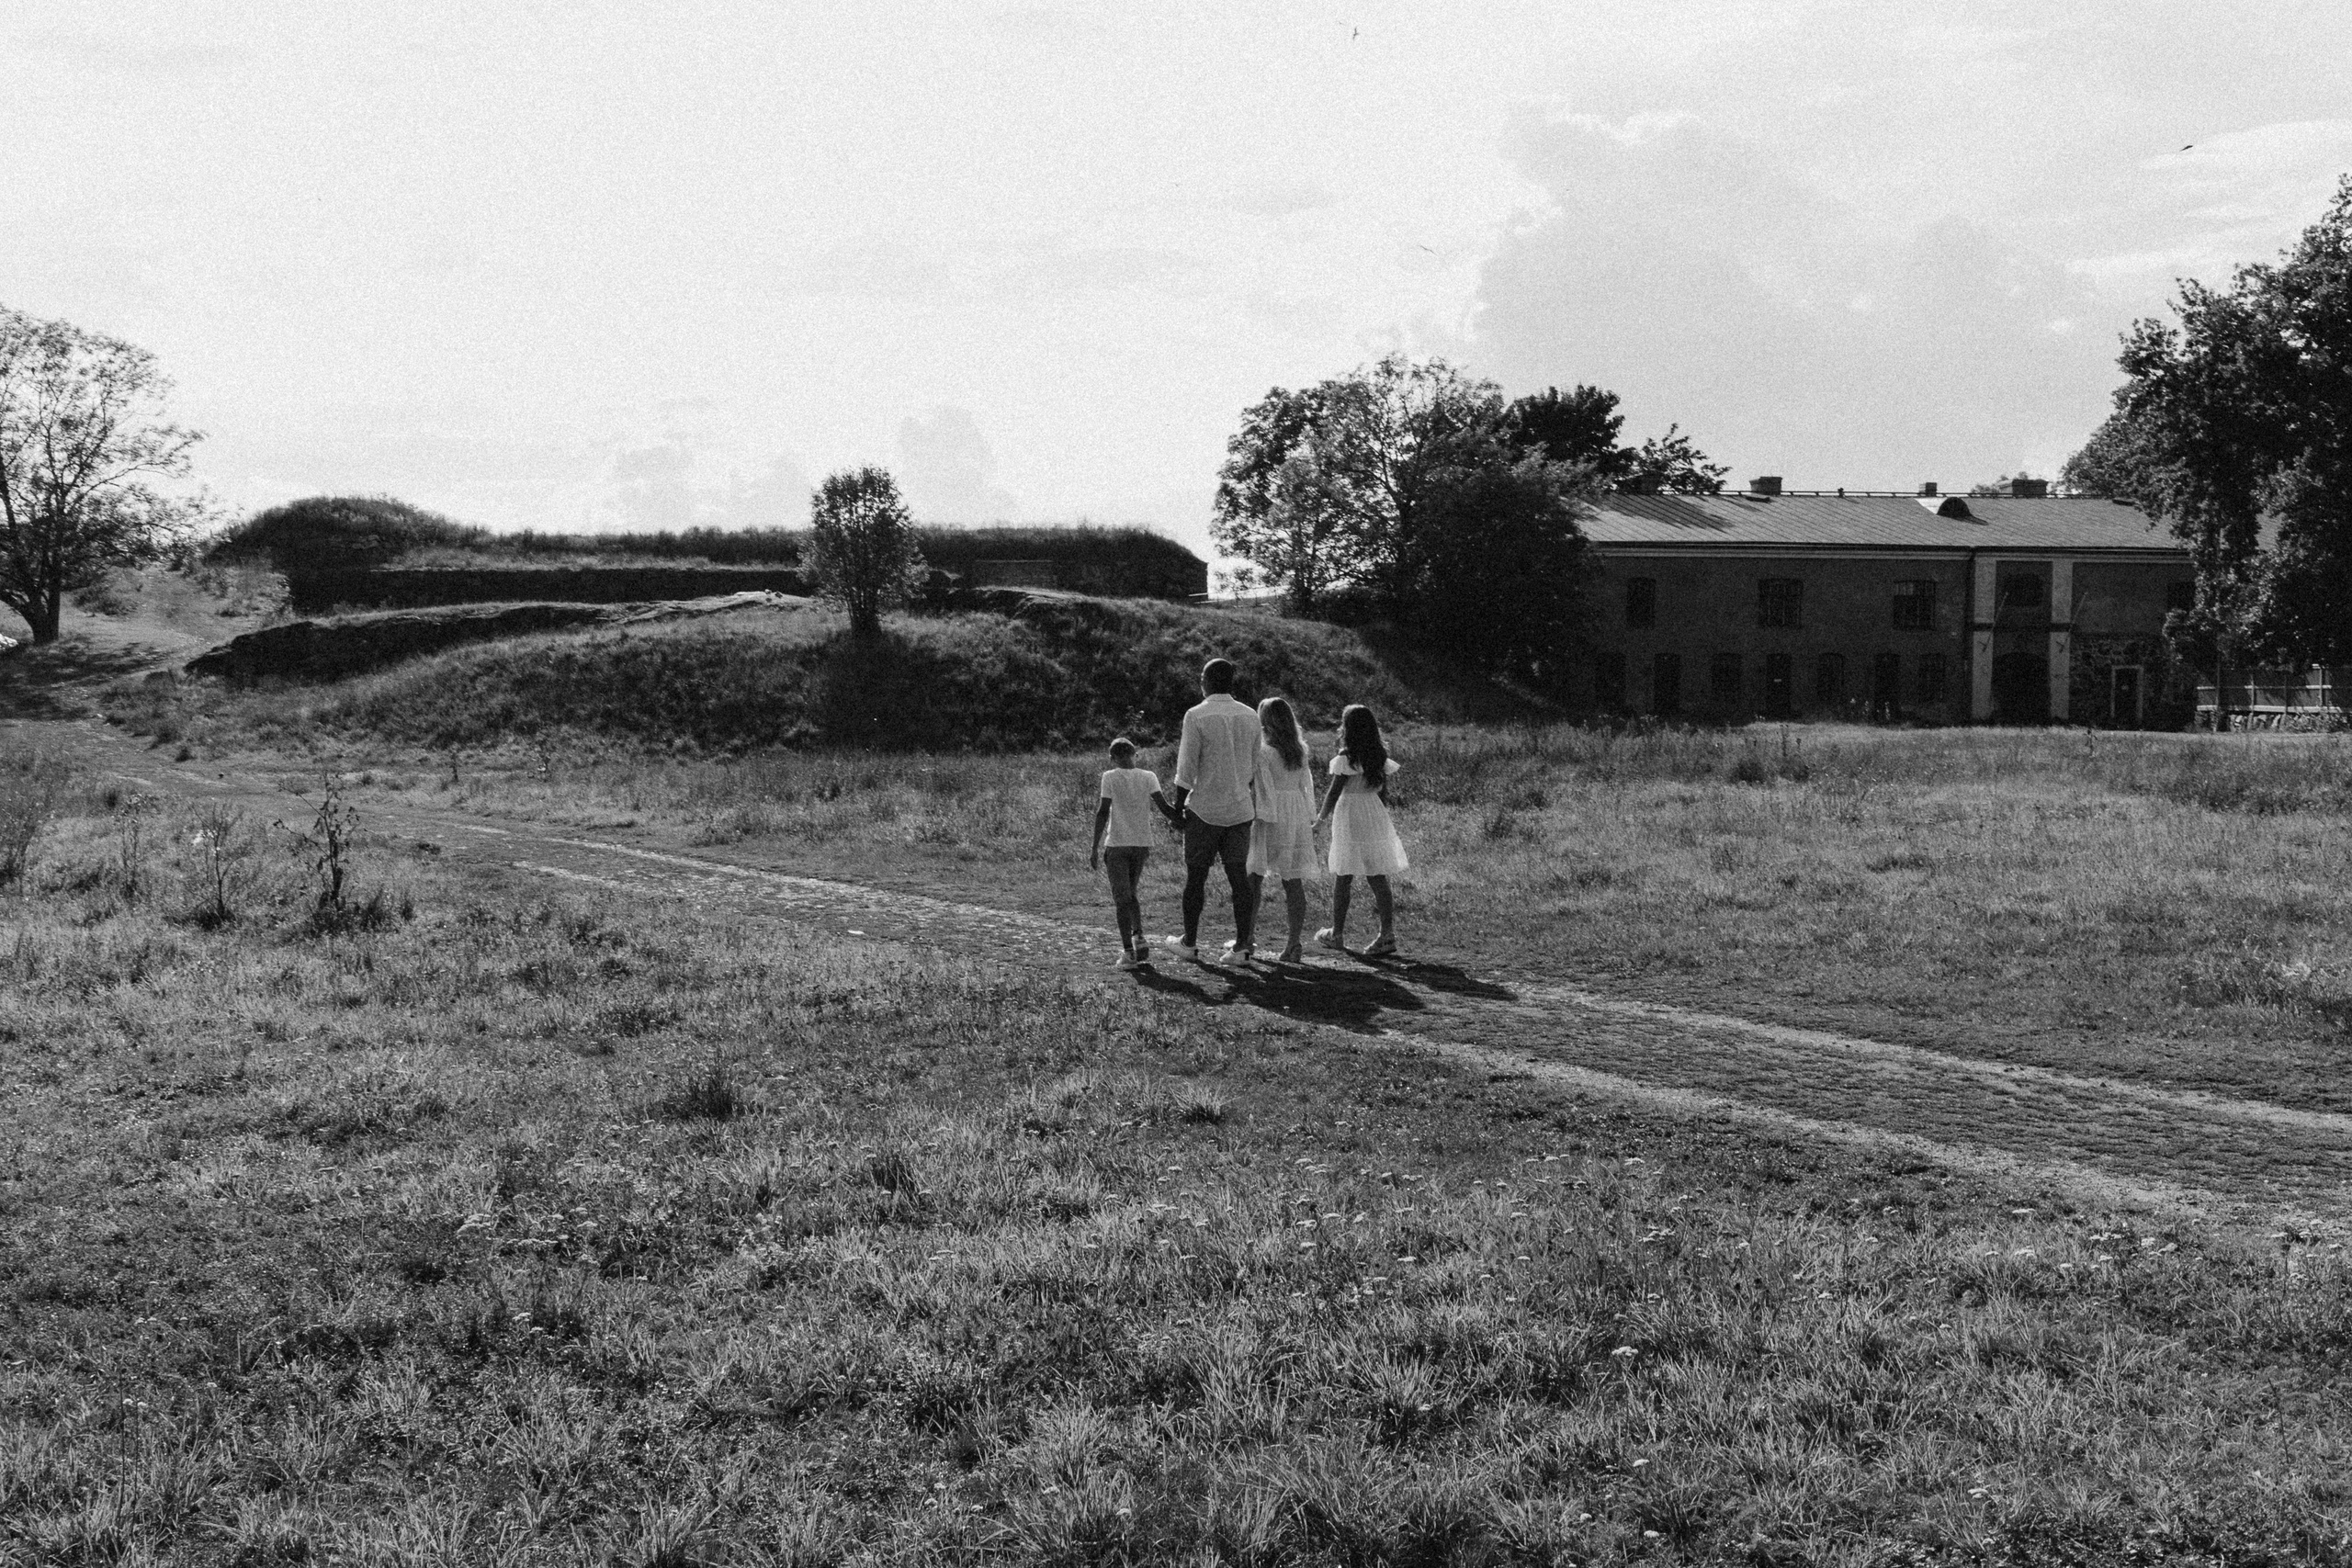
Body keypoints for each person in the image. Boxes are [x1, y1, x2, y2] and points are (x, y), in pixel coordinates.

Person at [1168, 657, 1260, 963]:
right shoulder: (1250, 715)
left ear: (1206, 680)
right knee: (1239, 880)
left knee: (1196, 878)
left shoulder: (1196, 715)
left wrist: (1178, 808)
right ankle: (1242, 946)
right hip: (1240, 808)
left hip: (1205, 808)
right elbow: (1255, 764)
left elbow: (1186, 767)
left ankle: (1190, 942)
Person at [1315, 702, 1408, 957]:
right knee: (1378, 875)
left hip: (1350, 815)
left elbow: (1334, 793)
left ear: (1348, 729)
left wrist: (1320, 819)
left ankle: (1337, 933)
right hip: (1374, 813)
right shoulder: (1378, 758)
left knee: (1344, 875)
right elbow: (1383, 794)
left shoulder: (1346, 758)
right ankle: (1387, 934)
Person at [1089, 736, 1176, 970]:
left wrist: (1095, 847)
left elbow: (1103, 812)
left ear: (1113, 758)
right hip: (1141, 844)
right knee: (1131, 893)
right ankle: (1139, 936)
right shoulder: (1148, 776)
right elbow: (1165, 808)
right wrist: (1185, 820)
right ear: (1134, 754)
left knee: (1121, 899)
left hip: (1117, 843)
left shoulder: (1110, 777)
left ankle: (1128, 952)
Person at [1245, 695, 1317, 964]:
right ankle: (1294, 943)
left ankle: (1248, 937)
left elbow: (1260, 787)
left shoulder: (1263, 752)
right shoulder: (1299, 749)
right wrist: (1309, 815)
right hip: (1294, 812)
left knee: (1254, 876)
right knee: (1292, 880)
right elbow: (1305, 786)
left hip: (1270, 813)